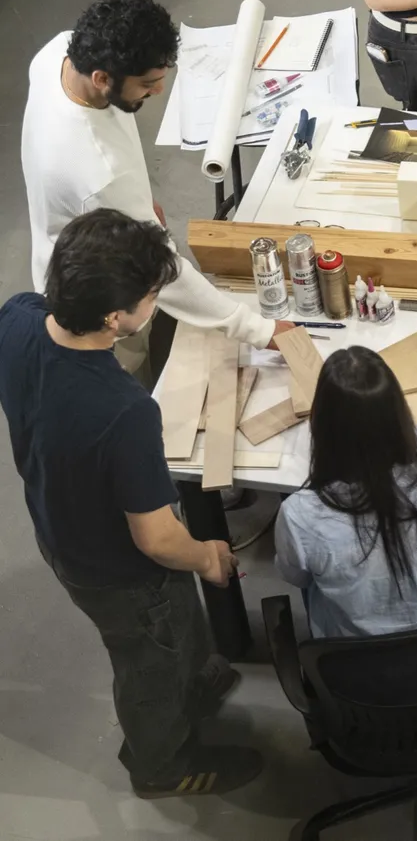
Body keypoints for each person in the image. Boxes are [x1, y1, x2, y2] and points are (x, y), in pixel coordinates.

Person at [0, 210, 263, 798]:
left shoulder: (17, 316)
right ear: (115, 317)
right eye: (152, 296)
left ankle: (194, 681)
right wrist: (207, 557)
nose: (155, 302)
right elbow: (157, 540)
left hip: (58, 522)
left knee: (173, 629)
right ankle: (163, 763)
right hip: (117, 569)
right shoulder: (123, 411)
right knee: (148, 661)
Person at [21, 0, 290, 378]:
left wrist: (138, 202)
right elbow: (163, 271)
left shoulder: (57, 54)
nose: (159, 92)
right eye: (148, 83)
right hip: (98, 297)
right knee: (127, 369)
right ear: (102, 79)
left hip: (71, 235)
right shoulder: (99, 174)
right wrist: (259, 330)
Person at [274, 346, 417, 637]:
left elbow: (295, 576)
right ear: (398, 413)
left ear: (321, 427)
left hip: (368, 671)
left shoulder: (301, 515)